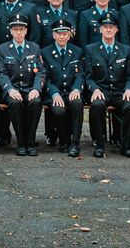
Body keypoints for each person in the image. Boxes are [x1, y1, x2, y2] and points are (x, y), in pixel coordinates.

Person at [83, 12, 130, 158]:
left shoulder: (125, 50)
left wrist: (128, 89)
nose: (108, 30)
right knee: (96, 105)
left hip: (120, 91)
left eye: (111, 27)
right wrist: (94, 89)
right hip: (100, 90)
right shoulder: (90, 49)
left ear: (116, 30)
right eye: (105, 27)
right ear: (100, 29)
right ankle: (99, 144)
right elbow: (88, 77)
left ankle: (125, 145)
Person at [0, 13, 46, 156]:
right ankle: (21, 142)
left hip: (30, 88)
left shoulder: (34, 48)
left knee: (36, 103)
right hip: (13, 89)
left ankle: (30, 142)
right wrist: (10, 89)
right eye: (15, 29)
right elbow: (1, 73)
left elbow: (40, 72)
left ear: (26, 30)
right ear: (10, 31)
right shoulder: (3, 49)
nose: (18, 32)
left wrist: (36, 89)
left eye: (21, 29)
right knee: (15, 104)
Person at [40, 18, 84, 156]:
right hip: (54, 92)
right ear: (53, 35)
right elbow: (45, 77)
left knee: (77, 103)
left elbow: (81, 74)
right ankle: (64, 140)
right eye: (58, 34)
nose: (62, 37)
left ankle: (75, 143)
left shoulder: (77, 51)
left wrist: (77, 89)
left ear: (69, 35)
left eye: (65, 34)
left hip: (72, 90)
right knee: (58, 110)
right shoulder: (45, 52)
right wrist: (54, 93)